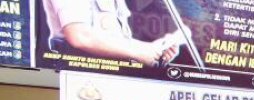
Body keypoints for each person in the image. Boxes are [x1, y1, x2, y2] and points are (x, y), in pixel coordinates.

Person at [41, 0, 182, 67]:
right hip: (81, 79)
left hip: (114, 79)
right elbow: (80, 36)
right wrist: (139, 52)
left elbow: (118, 42)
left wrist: (155, 51)